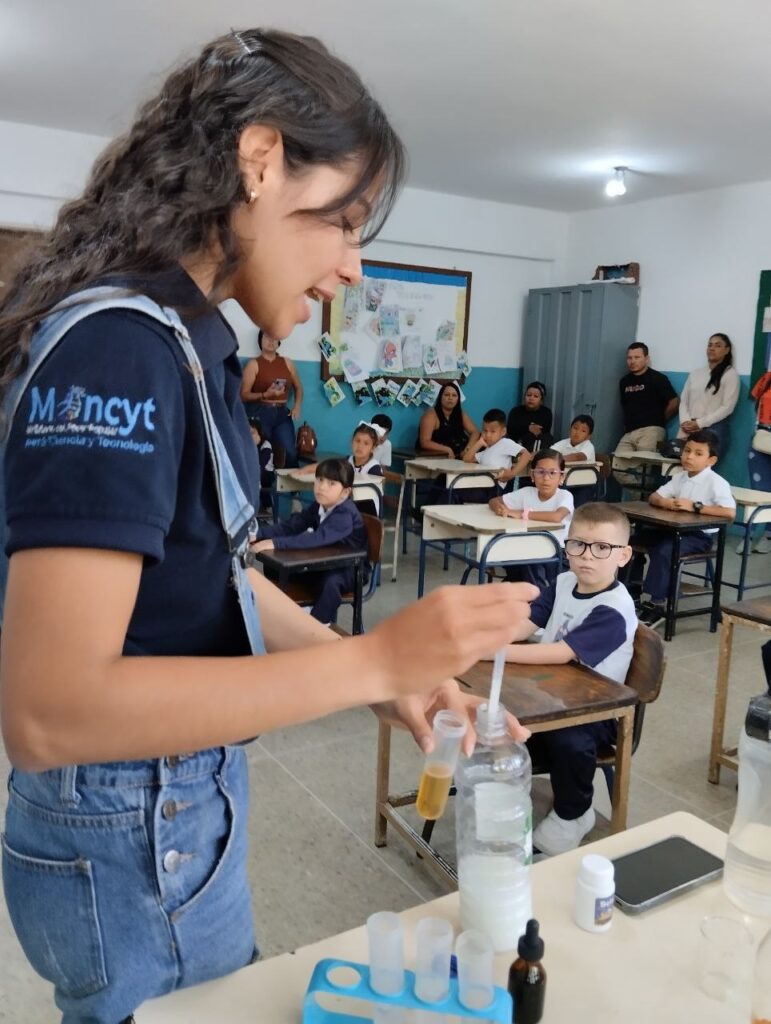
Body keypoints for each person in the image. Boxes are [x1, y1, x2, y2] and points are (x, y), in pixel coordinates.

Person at [0, 28, 536, 1024]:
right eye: (343, 220)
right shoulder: (117, 350)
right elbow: (46, 712)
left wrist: (377, 666)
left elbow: (214, 576)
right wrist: (368, 668)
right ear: (258, 161)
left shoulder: (190, 338)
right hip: (133, 822)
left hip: (179, 803)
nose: (350, 266)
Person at [494, 503, 636, 855]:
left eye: (602, 548)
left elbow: (560, 652)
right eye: (577, 544)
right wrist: (493, 638)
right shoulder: (563, 582)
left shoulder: (614, 609)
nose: (587, 556)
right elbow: (530, 622)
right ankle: (508, 795)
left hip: (595, 712)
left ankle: (574, 813)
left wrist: (495, 652)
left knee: (568, 739)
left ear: (624, 555)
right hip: (554, 693)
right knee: (496, 720)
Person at [636, 430, 736, 628]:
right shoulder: (680, 477)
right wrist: (666, 504)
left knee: (665, 551)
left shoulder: (716, 483)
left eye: (698, 453)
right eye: (687, 450)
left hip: (698, 537)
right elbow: (654, 497)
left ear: (711, 460)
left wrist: (696, 506)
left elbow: (729, 513)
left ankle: (657, 604)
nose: (689, 456)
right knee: (629, 541)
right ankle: (629, 594)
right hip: (672, 530)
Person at [252, 459, 366, 623]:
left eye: (331, 483)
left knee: (331, 583)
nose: (322, 487)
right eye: (319, 480)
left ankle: (318, 626)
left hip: (350, 568)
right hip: (324, 561)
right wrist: (258, 534)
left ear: (345, 492)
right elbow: (291, 526)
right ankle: (300, 611)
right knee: (274, 569)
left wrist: (276, 543)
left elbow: (317, 538)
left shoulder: (345, 513)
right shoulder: (319, 505)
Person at [489, 448, 574, 587]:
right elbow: (493, 500)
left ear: (562, 477)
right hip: (527, 547)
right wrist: (499, 508)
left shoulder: (564, 496)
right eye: (540, 472)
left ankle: (538, 599)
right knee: (510, 554)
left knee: (528, 559)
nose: (546, 478)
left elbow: (556, 517)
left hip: (557, 553)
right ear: (532, 475)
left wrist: (522, 514)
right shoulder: (527, 493)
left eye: (552, 473)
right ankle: (521, 591)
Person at [613, 342, 679, 490]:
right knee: (617, 467)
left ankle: (641, 504)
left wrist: (659, 419)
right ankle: (643, 496)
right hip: (629, 432)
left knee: (644, 472)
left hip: (651, 431)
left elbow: (674, 402)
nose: (632, 361)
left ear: (646, 358)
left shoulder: (657, 378)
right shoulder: (624, 382)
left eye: (637, 357)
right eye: (629, 358)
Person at [240, 328, 304, 466]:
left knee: (290, 452)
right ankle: (258, 486)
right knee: (260, 452)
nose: (271, 341)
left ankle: (293, 487)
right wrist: (265, 395)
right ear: (260, 340)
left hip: (282, 413)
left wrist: (297, 406)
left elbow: (298, 388)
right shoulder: (253, 364)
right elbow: (244, 395)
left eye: (274, 338)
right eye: (267, 337)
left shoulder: (287, 362)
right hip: (260, 412)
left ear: (279, 342)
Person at [677, 333, 739, 456]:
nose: (712, 348)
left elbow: (727, 407)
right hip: (688, 428)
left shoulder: (730, 374)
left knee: (701, 470)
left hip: (713, 428)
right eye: (710, 345)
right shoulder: (696, 373)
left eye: (717, 345)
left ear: (727, 350)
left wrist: (700, 423)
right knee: (680, 468)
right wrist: (685, 421)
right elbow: (684, 400)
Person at [743, 369, 771, 554]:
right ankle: (749, 534)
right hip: (761, 437)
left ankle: (768, 536)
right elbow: (755, 401)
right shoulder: (767, 377)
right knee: (758, 489)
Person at [417, 381, 480, 458]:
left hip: (461, 455)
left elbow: (475, 432)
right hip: (439, 457)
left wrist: (468, 449)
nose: (450, 398)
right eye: (447, 395)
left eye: (454, 395)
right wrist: (447, 449)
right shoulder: (431, 415)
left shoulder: (461, 413)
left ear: (458, 399)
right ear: (440, 397)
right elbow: (424, 442)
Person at [506, 381, 553, 454]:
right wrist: (528, 427)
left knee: (546, 438)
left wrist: (523, 427)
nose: (531, 398)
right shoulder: (516, 411)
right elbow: (511, 429)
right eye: (529, 395)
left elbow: (541, 431)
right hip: (518, 444)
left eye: (536, 396)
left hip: (537, 444)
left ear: (541, 400)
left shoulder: (546, 412)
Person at [248, 416, 275, 511]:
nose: (250, 436)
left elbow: (261, 462)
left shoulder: (266, 445)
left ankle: (267, 507)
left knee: (259, 471)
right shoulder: (246, 444)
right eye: (248, 433)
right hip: (253, 473)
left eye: (253, 433)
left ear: (259, 433)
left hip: (266, 474)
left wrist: (254, 447)